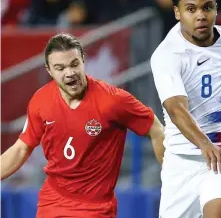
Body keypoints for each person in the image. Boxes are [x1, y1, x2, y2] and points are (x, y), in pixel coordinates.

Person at [0, 33, 165, 218]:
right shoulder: (40, 101)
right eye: (60, 68)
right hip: (53, 202)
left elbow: (156, 129)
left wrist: (171, 177)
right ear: (49, 70)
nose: (69, 73)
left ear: (83, 60)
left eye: (74, 64)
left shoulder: (113, 101)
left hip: (95, 209)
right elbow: (21, 149)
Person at [150, 0, 221, 218]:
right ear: (177, 13)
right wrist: (204, 144)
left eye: (207, 7)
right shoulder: (167, 55)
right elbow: (176, 108)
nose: (200, 15)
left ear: (216, 8)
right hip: (182, 162)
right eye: (191, 9)